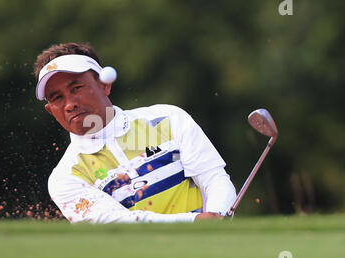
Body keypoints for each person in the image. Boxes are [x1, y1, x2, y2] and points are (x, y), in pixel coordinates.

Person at [34, 42, 237, 223]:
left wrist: (217, 215)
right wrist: (198, 222)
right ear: (51, 110)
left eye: (77, 87)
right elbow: (121, 222)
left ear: (104, 85)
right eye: (57, 98)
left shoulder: (167, 119)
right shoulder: (66, 177)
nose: (70, 104)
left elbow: (214, 178)